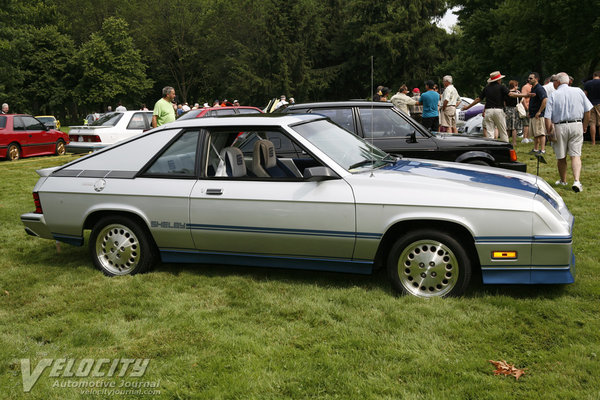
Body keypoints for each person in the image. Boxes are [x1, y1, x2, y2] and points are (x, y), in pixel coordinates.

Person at [544, 72, 593, 192]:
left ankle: (563, 180)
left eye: (555, 81)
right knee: (575, 155)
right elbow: (588, 110)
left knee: (561, 156)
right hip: (576, 124)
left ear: (558, 82)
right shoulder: (578, 91)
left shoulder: (554, 95)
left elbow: (547, 117)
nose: (553, 83)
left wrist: (549, 131)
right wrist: (585, 125)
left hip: (560, 126)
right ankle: (577, 180)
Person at [463, 71, 511, 142]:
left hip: (488, 111)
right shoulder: (501, 87)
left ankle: (491, 147)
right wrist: (525, 95)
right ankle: (506, 148)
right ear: (498, 79)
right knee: (503, 131)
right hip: (498, 110)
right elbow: (510, 95)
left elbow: (478, 99)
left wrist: (467, 107)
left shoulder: (486, 88)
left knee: (490, 132)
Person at [526, 72, 548, 154]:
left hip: (538, 115)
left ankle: (542, 150)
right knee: (535, 133)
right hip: (533, 114)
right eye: (529, 78)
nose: (529, 79)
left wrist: (539, 111)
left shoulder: (539, 88)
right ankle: (535, 149)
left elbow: (545, 100)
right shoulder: (533, 88)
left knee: (541, 133)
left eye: (531, 78)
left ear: (536, 79)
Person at [584, 71, 600, 145]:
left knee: (592, 123)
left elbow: (585, 95)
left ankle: (593, 142)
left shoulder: (587, 83)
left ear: (594, 75)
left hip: (590, 104)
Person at [505, 80, 522, 147]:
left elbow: (504, 102)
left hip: (507, 110)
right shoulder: (517, 93)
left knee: (507, 127)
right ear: (514, 86)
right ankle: (514, 142)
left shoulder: (507, 93)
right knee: (514, 128)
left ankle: (506, 141)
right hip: (514, 110)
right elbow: (520, 101)